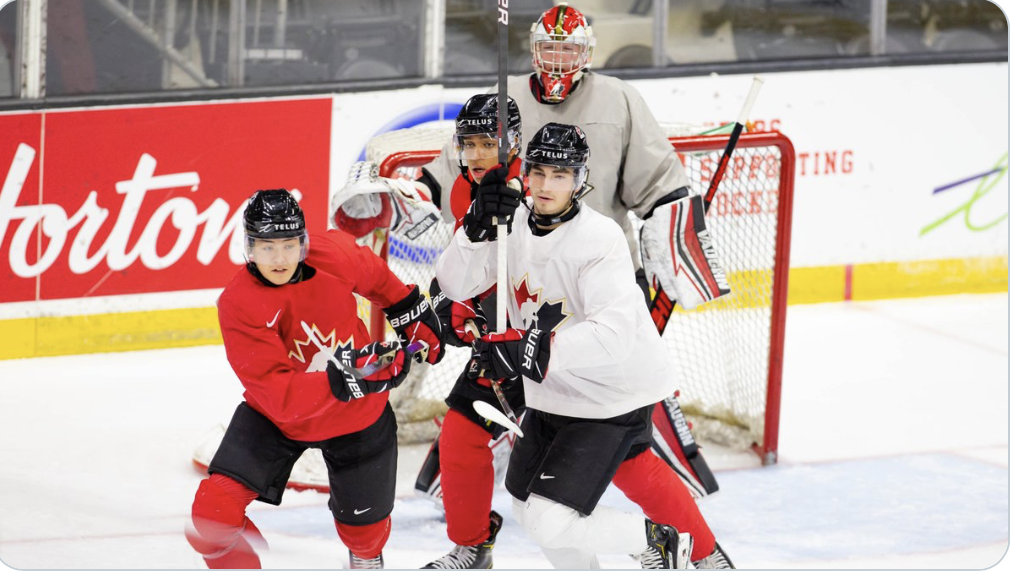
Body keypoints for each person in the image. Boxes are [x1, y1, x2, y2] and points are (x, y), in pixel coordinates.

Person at [435, 123, 734, 569]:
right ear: (526, 174)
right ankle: (688, 549)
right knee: (525, 508)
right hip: (554, 394)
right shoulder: (511, 220)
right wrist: (474, 230)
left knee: (549, 517)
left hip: (609, 396)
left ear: (579, 179)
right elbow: (456, 284)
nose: (547, 184)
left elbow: (612, 335)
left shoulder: (600, 237)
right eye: (539, 172)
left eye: (560, 175)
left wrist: (528, 351)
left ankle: (661, 541)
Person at [184, 189, 443, 570]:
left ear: (303, 243)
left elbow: (378, 280)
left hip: (358, 417)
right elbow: (278, 394)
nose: (279, 259)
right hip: (278, 420)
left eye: (289, 246)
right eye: (267, 247)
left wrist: (408, 310)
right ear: (249, 247)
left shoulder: (333, 253)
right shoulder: (239, 302)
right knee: (213, 515)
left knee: (365, 538)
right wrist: (347, 377)